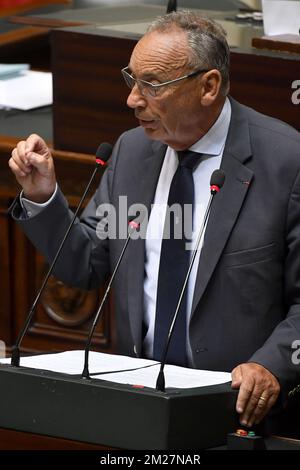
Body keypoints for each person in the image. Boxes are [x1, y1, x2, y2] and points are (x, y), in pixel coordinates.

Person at [8, 10, 300, 431]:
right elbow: (86, 263)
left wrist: (271, 367)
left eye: (153, 85)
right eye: (132, 79)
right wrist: (42, 196)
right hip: (138, 408)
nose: (132, 99)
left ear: (208, 86)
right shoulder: (132, 153)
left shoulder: (285, 163)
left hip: (236, 416)